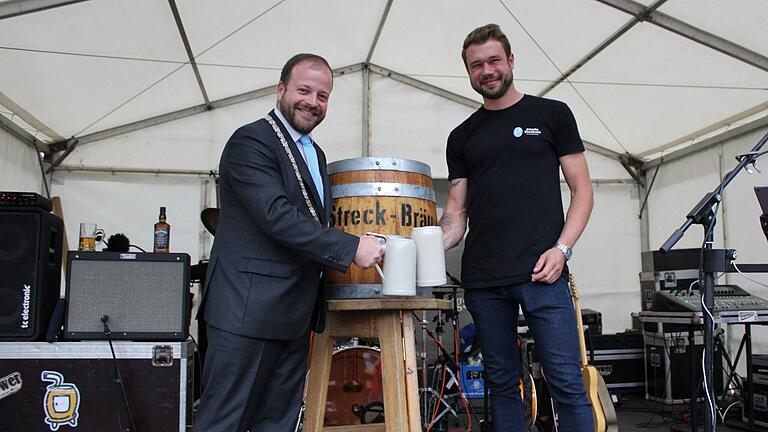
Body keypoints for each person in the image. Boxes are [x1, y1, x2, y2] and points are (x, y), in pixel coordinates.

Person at [194, 53, 384, 432]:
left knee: (278, 423)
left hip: (294, 315)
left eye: (323, 95)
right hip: (246, 313)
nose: (313, 101)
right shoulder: (251, 140)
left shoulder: (315, 153)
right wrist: (350, 248)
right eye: (304, 90)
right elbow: (276, 215)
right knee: (224, 421)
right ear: (280, 89)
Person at [440, 24, 595, 430]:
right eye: (477, 65)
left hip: (544, 272)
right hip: (484, 279)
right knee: (502, 384)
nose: (487, 71)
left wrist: (561, 250)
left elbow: (582, 191)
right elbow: (456, 213)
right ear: (469, 72)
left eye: (493, 60)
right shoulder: (461, 137)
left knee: (566, 382)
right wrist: (420, 246)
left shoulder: (552, 115)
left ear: (510, 61)